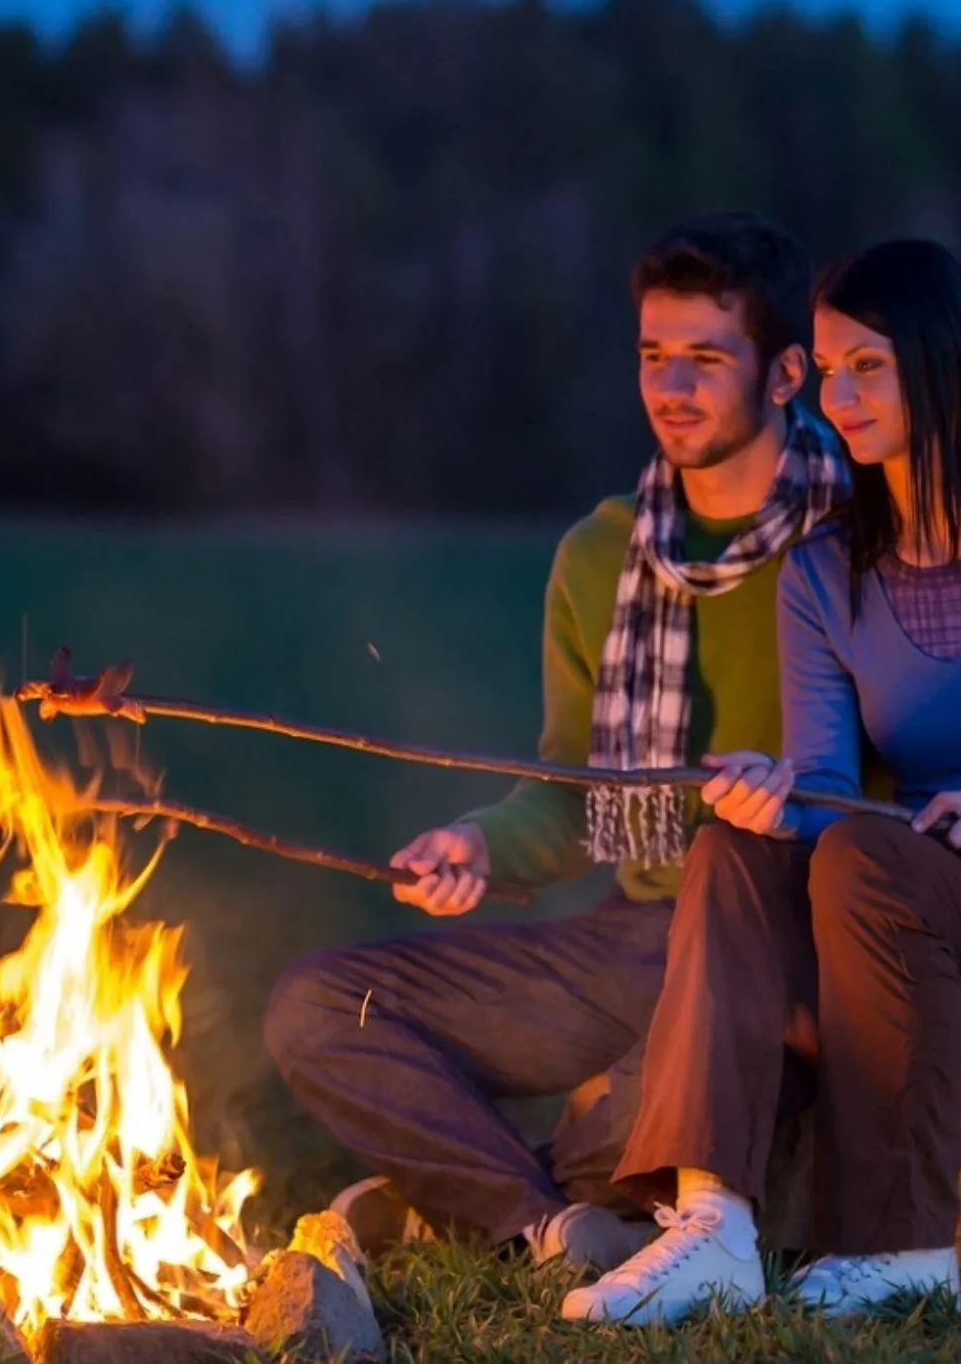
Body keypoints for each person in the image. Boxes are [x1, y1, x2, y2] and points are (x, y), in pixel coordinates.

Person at [261, 212, 853, 1275]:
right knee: (317, 1008)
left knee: (649, 1096)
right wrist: (479, 846)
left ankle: (505, 1198)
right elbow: (569, 785)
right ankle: (550, 1219)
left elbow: (910, 771)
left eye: (705, 358)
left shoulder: (860, 541)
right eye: (651, 355)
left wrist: (798, 795)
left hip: (788, 945)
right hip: (631, 938)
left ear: (783, 375)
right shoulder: (599, 554)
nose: (668, 386)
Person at [563, 237, 961, 1324]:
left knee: (867, 850)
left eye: (866, 366)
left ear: (938, 361)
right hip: (909, 934)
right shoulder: (822, 571)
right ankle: (709, 1220)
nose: (836, 396)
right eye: (823, 369)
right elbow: (824, 787)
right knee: (733, 844)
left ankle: (899, 1247)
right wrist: (774, 792)